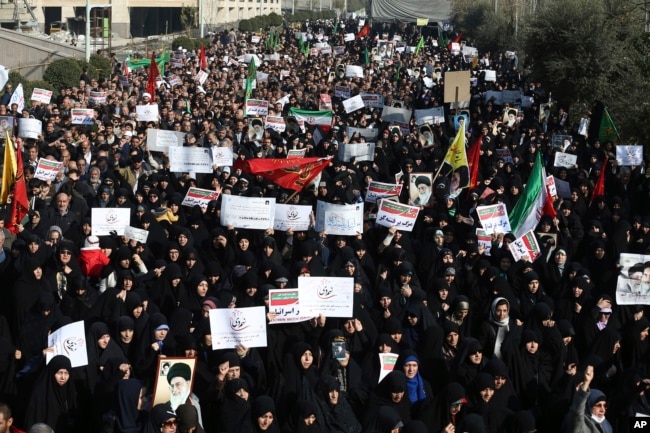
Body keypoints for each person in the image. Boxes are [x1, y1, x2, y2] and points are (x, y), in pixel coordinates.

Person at [561, 365, 613, 433]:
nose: (602, 410)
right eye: (598, 405)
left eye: (605, 406)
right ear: (589, 405)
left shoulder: (606, 425)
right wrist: (586, 383)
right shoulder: (580, 424)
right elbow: (577, 412)